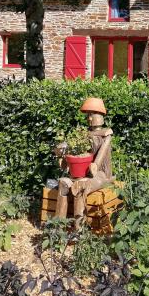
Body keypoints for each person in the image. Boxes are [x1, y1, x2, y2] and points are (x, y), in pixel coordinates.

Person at [55, 97, 115, 227]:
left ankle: (78, 229)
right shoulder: (84, 134)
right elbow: (72, 146)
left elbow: (102, 153)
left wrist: (95, 165)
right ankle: (57, 226)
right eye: (88, 115)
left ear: (100, 116)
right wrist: (62, 151)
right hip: (84, 173)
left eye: (92, 114)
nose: (89, 118)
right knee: (63, 183)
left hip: (100, 174)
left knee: (80, 186)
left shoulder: (107, 134)